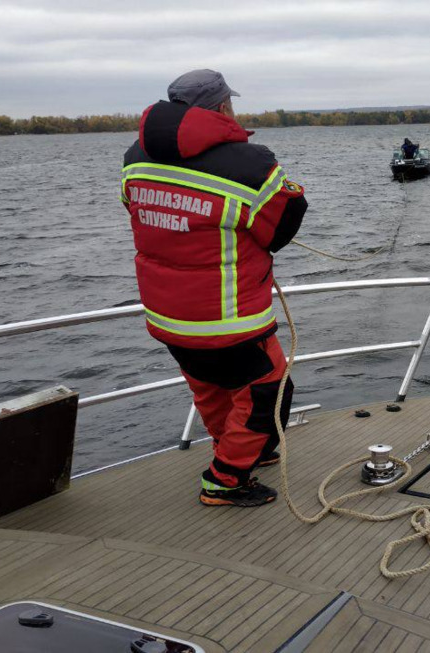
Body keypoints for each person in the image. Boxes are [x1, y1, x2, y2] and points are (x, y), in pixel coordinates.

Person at [121, 69, 307, 507]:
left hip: (167, 317)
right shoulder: (251, 163)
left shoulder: (134, 157)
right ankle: (225, 479)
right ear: (223, 107)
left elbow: (137, 208)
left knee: (210, 389)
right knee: (269, 395)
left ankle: (239, 452)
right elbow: (280, 228)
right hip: (228, 318)